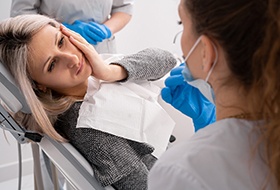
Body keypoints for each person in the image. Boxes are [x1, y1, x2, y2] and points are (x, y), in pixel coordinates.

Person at [0, 14, 177, 189]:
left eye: (61, 41)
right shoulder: (89, 128)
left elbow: (166, 59)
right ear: (39, 86)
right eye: (52, 65)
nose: (73, 59)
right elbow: (144, 186)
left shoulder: (96, 75)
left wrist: (110, 72)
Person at [149, 0, 280, 189]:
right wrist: (211, 127)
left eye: (182, 24)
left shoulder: (182, 171)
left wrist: (213, 138)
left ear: (206, 52)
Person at [10, 0, 133, 53]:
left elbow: (124, 8)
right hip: (56, 48)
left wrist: (106, 29)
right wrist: (61, 29)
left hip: (101, 49)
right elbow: (20, 14)